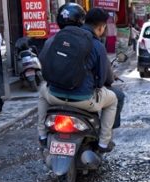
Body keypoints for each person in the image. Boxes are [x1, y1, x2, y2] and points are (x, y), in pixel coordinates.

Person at [37, 4, 118, 153]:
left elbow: (44, 66)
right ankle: (103, 143)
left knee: (42, 91)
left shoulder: (53, 40)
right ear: (100, 27)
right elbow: (101, 81)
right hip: (84, 100)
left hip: (54, 96)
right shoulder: (96, 44)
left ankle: (42, 135)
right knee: (112, 99)